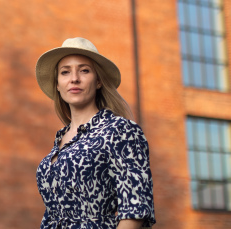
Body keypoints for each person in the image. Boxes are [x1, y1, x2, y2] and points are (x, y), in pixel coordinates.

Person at [34, 37, 156, 229]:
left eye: (84, 70)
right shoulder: (61, 139)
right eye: (65, 72)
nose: (74, 78)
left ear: (98, 81)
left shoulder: (120, 130)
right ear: (57, 84)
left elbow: (135, 210)